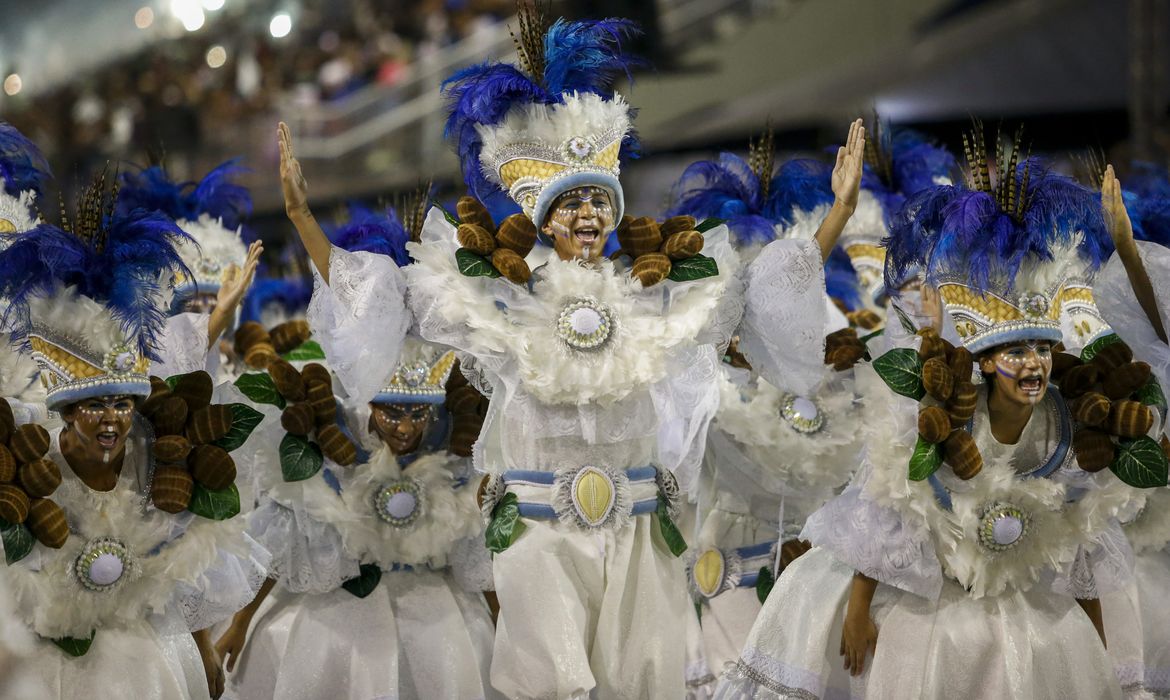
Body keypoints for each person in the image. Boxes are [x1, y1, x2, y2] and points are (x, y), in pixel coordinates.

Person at [277, 9, 866, 695]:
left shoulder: (654, 297)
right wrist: (302, 221)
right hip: (539, 534)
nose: (587, 213)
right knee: (554, 683)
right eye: (571, 201)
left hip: (640, 533)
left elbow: (756, 296)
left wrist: (836, 218)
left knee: (639, 681)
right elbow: (390, 300)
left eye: (598, 199)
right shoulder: (499, 299)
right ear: (542, 216)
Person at [715, 139, 1154, 699]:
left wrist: (1093, 641)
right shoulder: (933, 411)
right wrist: (857, 609)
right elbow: (891, 511)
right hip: (932, 599)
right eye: (1016, 353)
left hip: (1021, 602)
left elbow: (1078, 540)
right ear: (988, 361)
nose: (1034, 365)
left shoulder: (1062, 429)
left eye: (1042, 350)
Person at [0, 175, 268, 700]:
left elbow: (180, 559)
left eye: (122, 403)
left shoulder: (154, 455)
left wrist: (205, 643)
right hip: (53, 663)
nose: (112, 419)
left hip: (143, 660)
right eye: (96, 405)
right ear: (67, 410)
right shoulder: (30, 460)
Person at [215, 207, 496, 700]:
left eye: (417, 415)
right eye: (392, 413)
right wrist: (240, 623)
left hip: (438, 622)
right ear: (369, 403)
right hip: (340, 622)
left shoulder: (457, 459)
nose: (405, 428)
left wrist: (505, 625)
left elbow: (479, 561)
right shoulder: (331, 452)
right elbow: (282, 548)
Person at [116, 162, 263, 381]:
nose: (206, 318)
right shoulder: (153, 372)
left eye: (215, 307)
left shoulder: (254, 371)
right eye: (192, 310)